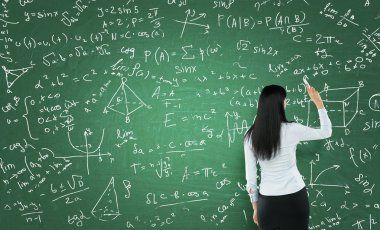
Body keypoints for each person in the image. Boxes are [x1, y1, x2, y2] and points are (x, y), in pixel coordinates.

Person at [244, 84, 332, 230]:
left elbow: (251, 179)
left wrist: (255, 207)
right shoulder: (293, 130)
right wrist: (319, 103)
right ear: (281, 104)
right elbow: (326, 132)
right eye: (285, 100)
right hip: (295, 197)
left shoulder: (250, 136)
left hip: (267, 201)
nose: (286, 103)